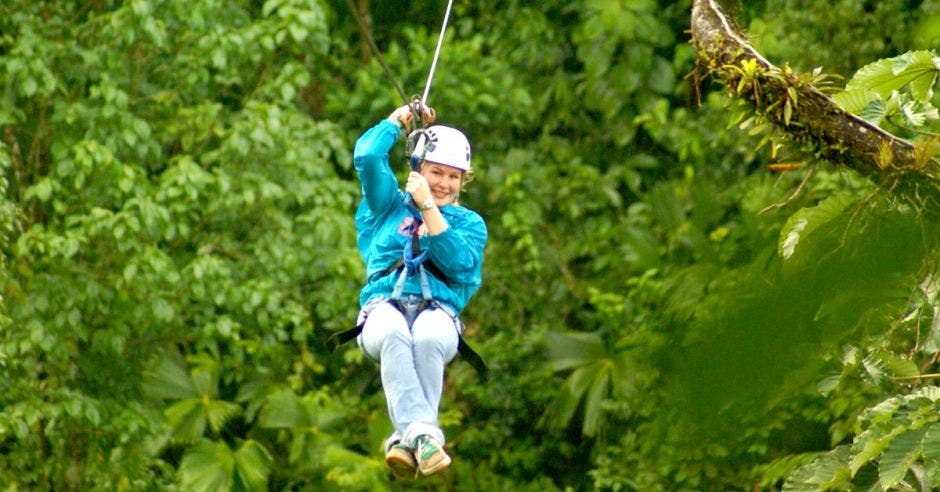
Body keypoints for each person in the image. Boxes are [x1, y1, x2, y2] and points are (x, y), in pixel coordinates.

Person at [352, 103, 487, 478]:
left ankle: (404, 439)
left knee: (427, 336)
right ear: (418, 171)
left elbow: (460, 264)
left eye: (453, 176)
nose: (444, 183)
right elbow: (366, 156)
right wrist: (398, 121)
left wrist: (429, 208)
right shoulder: (386, 208)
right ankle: (424, 436)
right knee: (395, 332)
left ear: (463, 181)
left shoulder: (469, 224)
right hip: (382, 308)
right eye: (435, 172)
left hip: (438, 314)